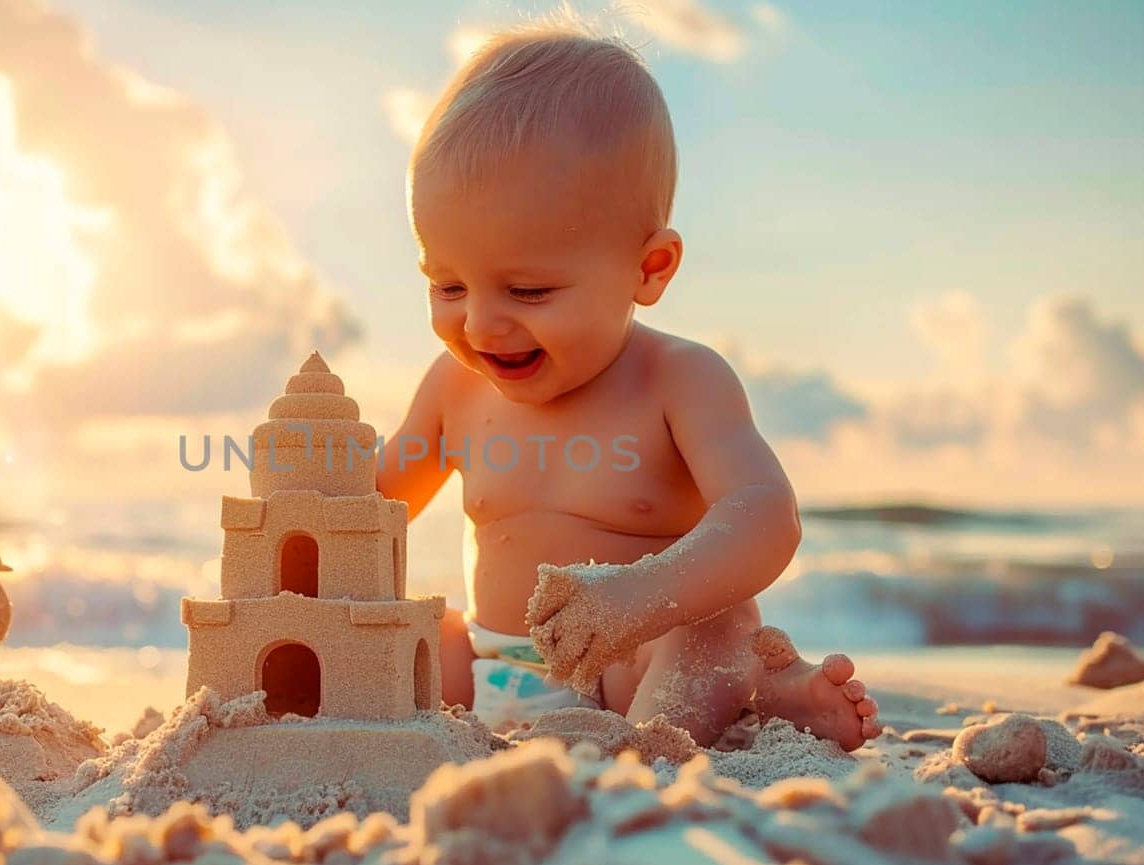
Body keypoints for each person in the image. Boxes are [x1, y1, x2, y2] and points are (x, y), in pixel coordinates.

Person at [376, 24, 879, 749]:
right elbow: (376, 507)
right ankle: (756, 691)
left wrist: (638, 598)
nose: (481, 324)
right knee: (403, 627)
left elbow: (768, 514)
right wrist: (308, 501)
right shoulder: (455, 387)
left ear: (649, 269)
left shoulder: (679, 381)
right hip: (485, 663)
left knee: (716, 626)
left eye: (528, 288)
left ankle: (684, 729)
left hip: (632, 669)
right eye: (447, 284)